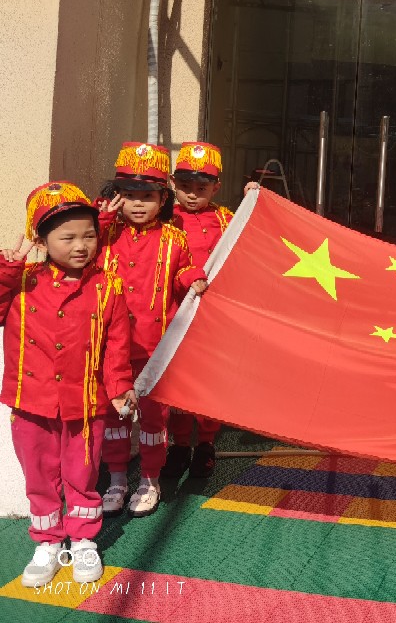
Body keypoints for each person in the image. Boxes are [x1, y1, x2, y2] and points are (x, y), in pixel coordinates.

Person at [0, 182, 136, 586]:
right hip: (31, 401)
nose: (81, 245)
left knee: (83, 472)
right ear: (41, 241)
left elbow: (117, 344)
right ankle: (47, 542)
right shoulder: (21, 281)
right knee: (39, 474)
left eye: (89, 235)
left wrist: (119, 387)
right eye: (68, 237)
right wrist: (7, 271)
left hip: (85, 402)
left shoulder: (108, 285)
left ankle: (83, 540)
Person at [97, 142, 207, 518]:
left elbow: (183, 270)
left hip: (154, 350)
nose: (139, 204)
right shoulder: (104, 235)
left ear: (163, 199)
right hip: (110, 351)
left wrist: (193, 278)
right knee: (114, 418)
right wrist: (102, 217)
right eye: (129, 195)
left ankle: (149, 480)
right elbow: (84, 250)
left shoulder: (175, 238)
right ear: (116, 197)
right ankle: (116, 479)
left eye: (147, 196)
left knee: (153, 420)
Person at [162, 142, 233, 480]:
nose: (192, 194)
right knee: (178, 380)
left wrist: (254, 196)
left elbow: (255, 232)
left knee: (209, 380)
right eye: (185, 186)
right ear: (173, 183)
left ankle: (206, 443)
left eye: (201, 188)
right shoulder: (164, 217)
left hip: (213, 313)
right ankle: (179, 445)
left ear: (215, 188)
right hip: (175, 311)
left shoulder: (227, 218)